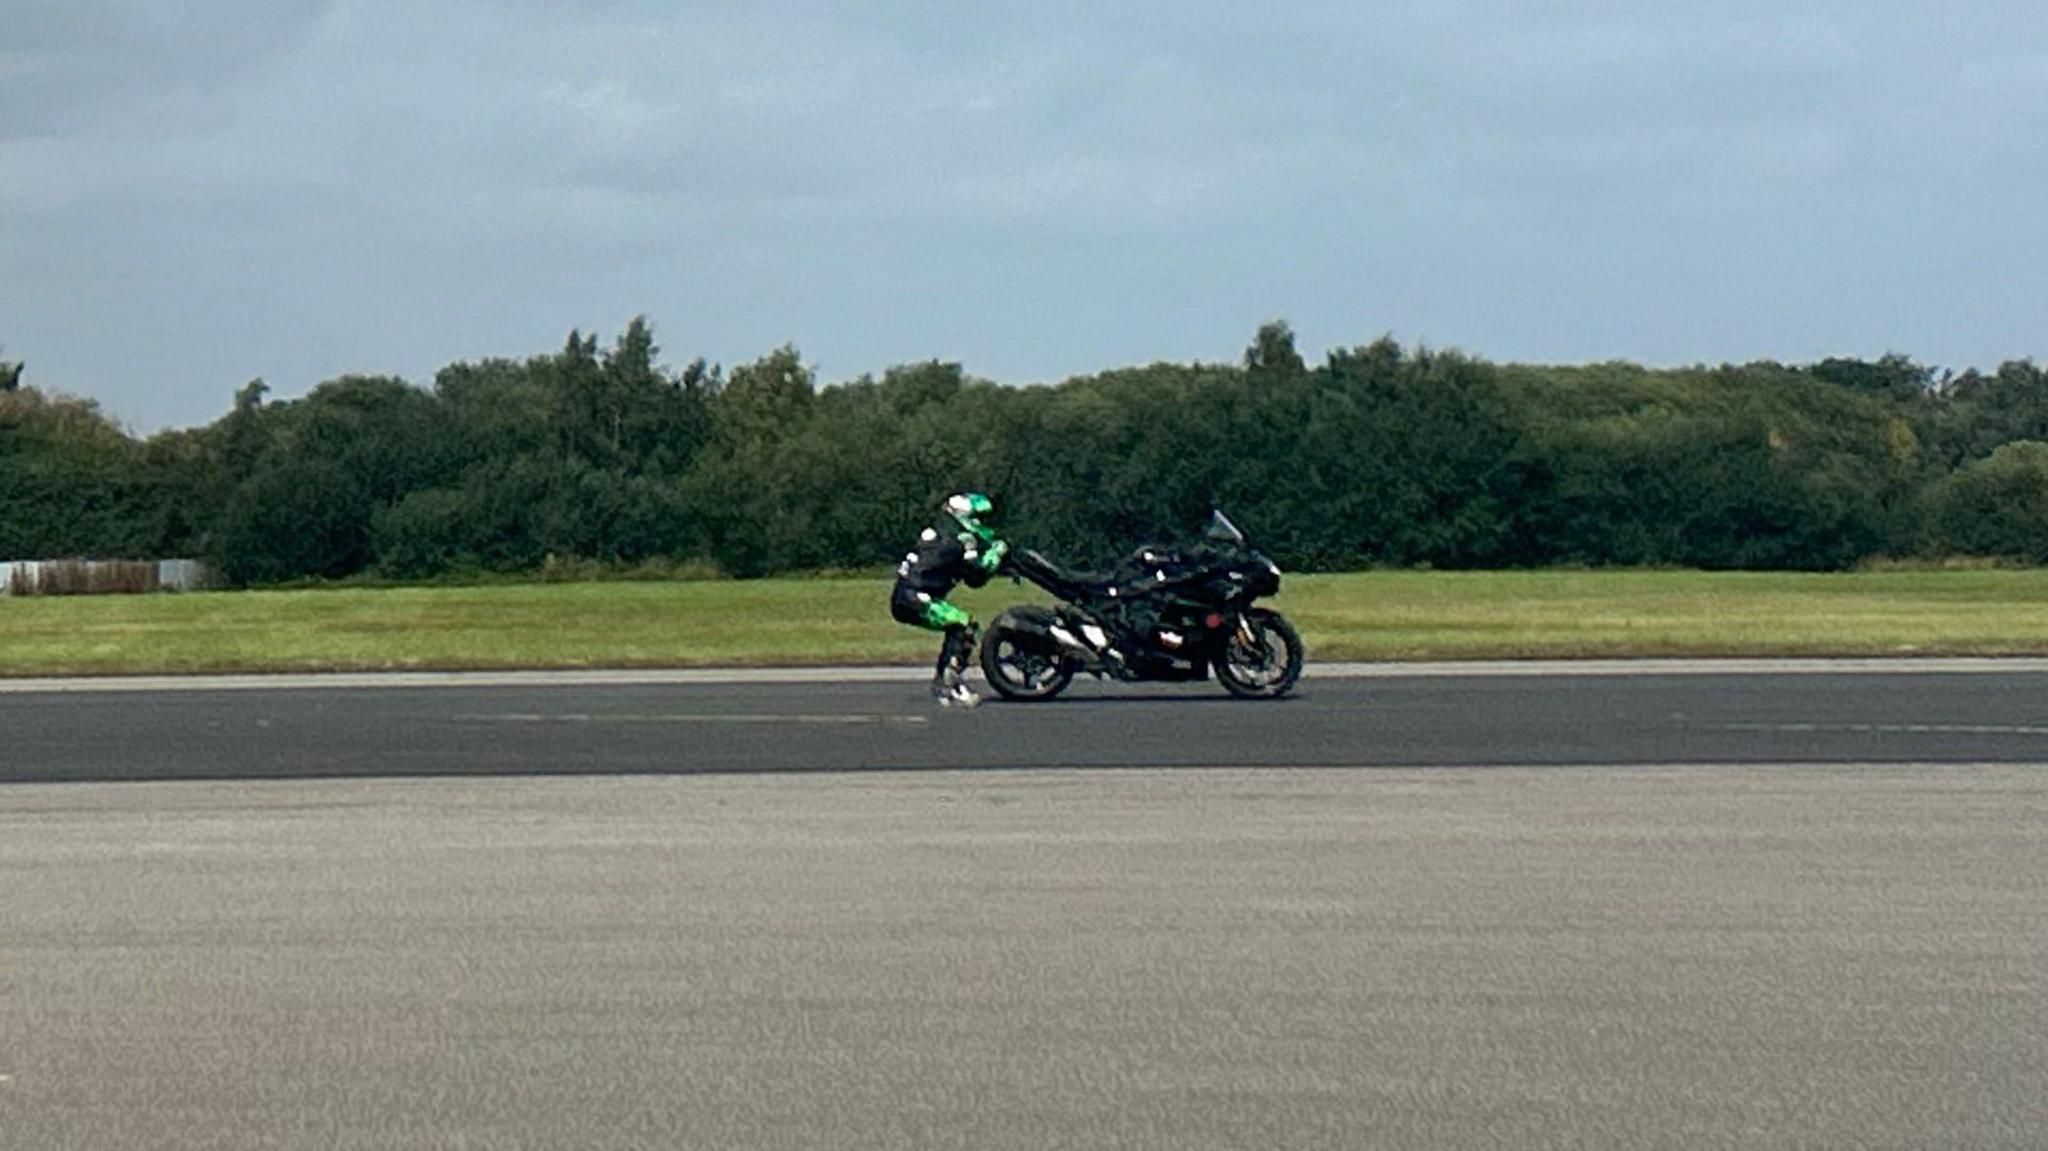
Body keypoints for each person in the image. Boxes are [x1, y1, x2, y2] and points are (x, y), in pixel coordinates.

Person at [891, 492, 1009, 707]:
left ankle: (944, 682)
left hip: (908, 595)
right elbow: (977, 576)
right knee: (963, 625)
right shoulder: (960, 539)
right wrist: (996, 554)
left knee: (961, 624)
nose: (983, 524)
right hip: (915, 597)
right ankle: (949, 685)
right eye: (980, 518)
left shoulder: (942, 531)